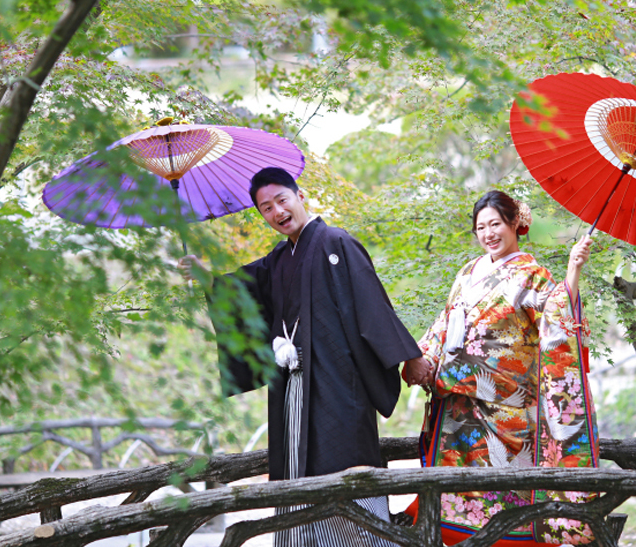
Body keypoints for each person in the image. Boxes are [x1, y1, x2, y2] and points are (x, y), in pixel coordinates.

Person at [179, 166, 431, 547]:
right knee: (296, 469)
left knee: (347, 465)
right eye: (266, 208)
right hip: (292, 387)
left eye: (282, 200)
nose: (277, 212)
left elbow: (372, 303)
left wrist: (408, 356)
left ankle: (367, 541)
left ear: (300, 195)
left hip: (339, 386)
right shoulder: (278, 259)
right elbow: (240, 293)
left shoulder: (336, 242)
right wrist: (206, 278)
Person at [403, 190, 598, 546]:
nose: (489, 233)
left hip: (505, 407)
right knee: (452, 495)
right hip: (456, 407)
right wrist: (423, 358)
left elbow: (557, 318)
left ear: (514, 224)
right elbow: (445, 322)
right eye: (481, 227)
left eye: (495, 224)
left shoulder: (533, 275)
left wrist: (573, 270)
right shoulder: (467, 271)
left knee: (503, 499)